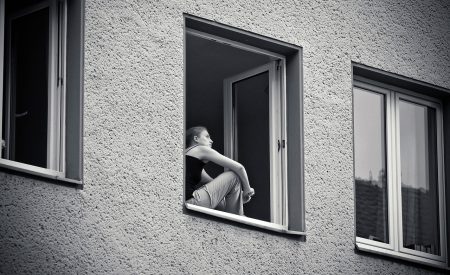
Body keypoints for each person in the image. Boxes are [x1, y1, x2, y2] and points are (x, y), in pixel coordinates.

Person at [185, 126, 255, 215]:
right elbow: (239, 168)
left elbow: (215, 185)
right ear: (196, 139)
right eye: (207, 136)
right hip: (192, 202)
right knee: (232, 176)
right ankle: (236, 223)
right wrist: (247, 189)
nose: (211, 140)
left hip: (188, 204)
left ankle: (235, 221)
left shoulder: (187, 157)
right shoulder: (200, 149)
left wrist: (239, 196)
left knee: (222, 200)